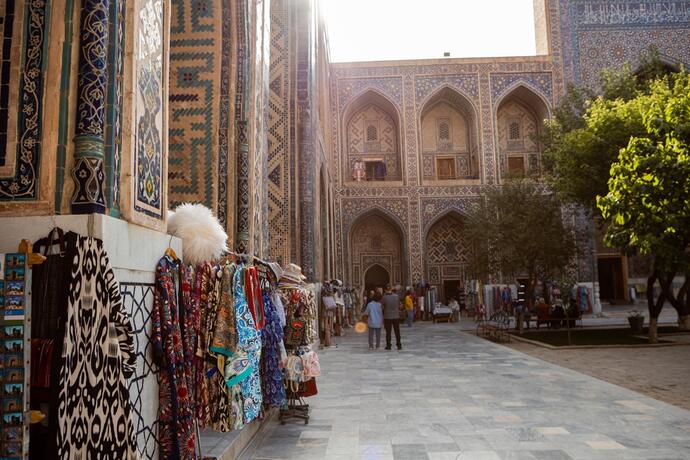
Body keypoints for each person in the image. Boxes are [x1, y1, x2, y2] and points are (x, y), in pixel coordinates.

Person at [381, 285, 402, 350]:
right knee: (397, 331)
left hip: (387, 317)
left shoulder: (384, 298)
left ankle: (389, 345)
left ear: (385, 290)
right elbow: (400, 305)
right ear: (391, 289)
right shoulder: (396, 296)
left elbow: (382, 307)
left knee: (388, 332)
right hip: (396, 316)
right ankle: (399, 345)